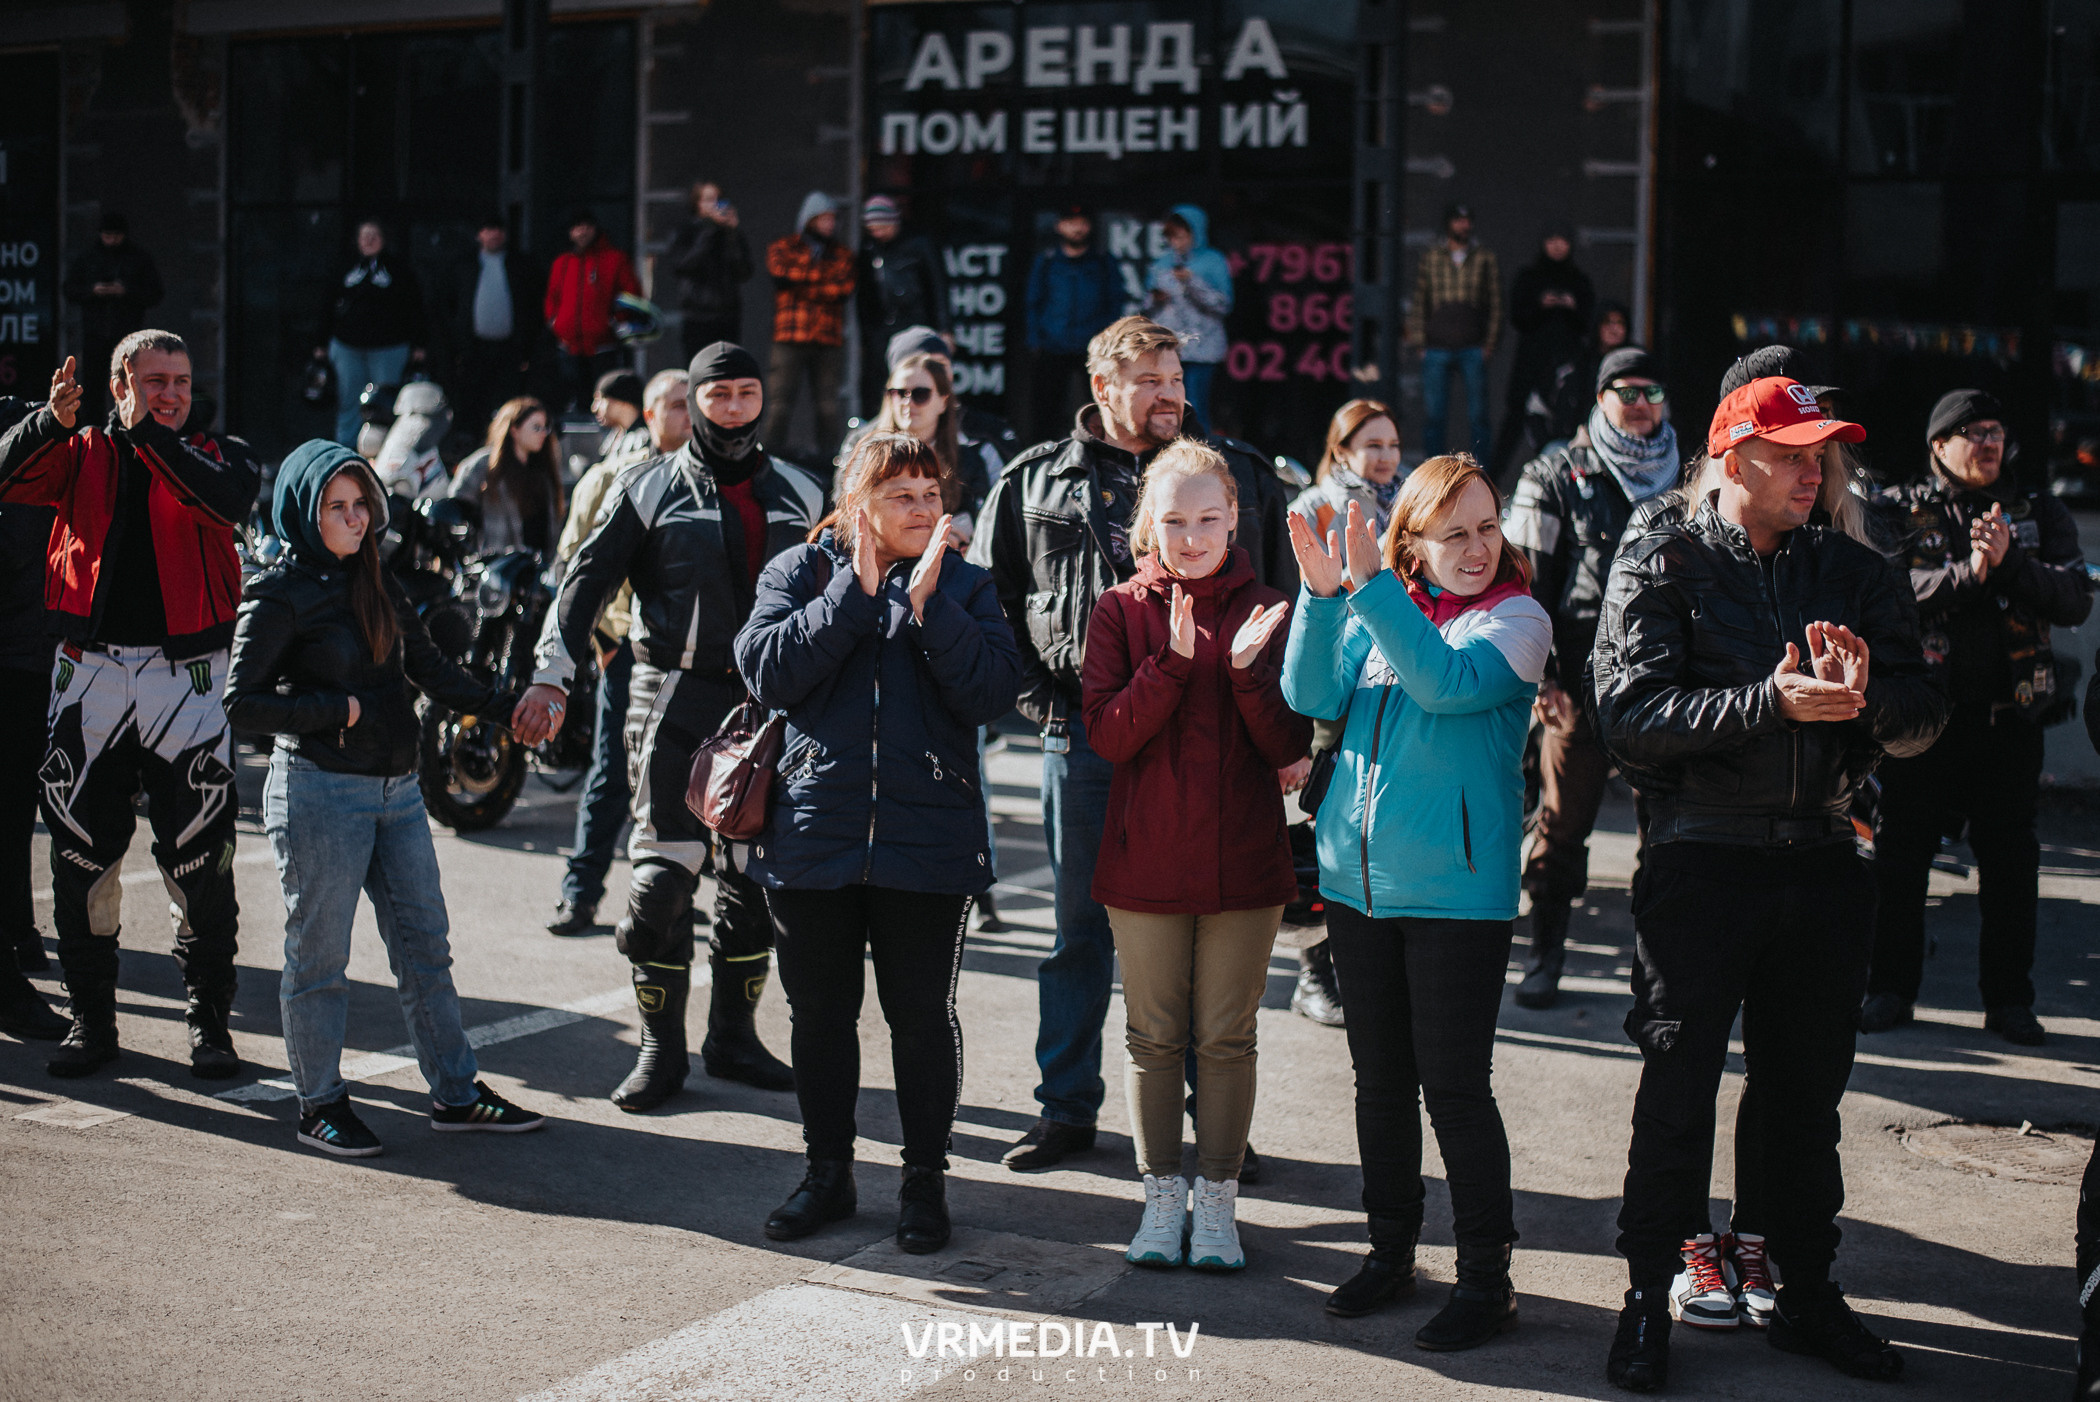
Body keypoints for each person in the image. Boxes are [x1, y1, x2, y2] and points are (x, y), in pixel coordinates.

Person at [1589, 376, 1946, 1390]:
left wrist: (1870, 697)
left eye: (1820, 454)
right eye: (1792, 452)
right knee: (1677, 1094)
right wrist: (1771, 704)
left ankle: (1807, 1294)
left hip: (1825, 861)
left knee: (1803, 1100)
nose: (1813, 470)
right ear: (1732, 455)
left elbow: (1926, 715)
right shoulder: (1663, 552)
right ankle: (1645, 1297)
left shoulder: (1854, 568)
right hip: (1701, 859)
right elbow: (1629, 716)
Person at [969, 314, 1296, 1175]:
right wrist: (1050, 704)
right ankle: (1066, 1112)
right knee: (1080, 934)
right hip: (1087, 740)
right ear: (1102, 388)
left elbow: (1281, 601)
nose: (1169, 393)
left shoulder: (1242, 477)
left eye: (1175, 376)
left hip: (1212, 745)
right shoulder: (1034, 481)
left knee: (1198, 932)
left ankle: (1214, 1121)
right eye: (1149, 378)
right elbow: (994, 600)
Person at [1280, 456, 1550, 1350]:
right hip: (1357, 888)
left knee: (1456, 1091)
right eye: (1454, 533)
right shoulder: (1371, 611)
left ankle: (1487, 1281)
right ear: (1415, 544)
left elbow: (1444, 683)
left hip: (1456, 897)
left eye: (1486, 527)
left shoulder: (1517, 619)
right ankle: (1390, 1251)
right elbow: (1309, 695)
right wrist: (1324, 600)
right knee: (1380, 1087)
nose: (1477, 548)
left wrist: (1369, 593)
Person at [515, 342, 824, 1109]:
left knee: (754, 882)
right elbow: (582, 583)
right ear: (690, 401)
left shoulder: (802, 492)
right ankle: (662, 1050)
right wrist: (553, 678)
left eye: (746, 394)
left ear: (762, 402)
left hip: (770, 706)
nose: (732, 409)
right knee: (658, 884)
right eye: (716, 396)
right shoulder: (646, 486)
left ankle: (732, 1039)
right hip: (672, 694)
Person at [733, 433, 1019, 1251]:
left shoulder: (965, 582)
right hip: (812, 834)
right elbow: (765, 672)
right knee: (821, 1016)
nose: (924, 509)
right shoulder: (798, 572)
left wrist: (932, 609)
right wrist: (854, 598)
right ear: (857, 502)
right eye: (903, 495)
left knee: (921, 1017)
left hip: (927, 840)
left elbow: (992, 693)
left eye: (931, 494)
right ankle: (828, 1174)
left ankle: (924, 1183)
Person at [225, 441, 547, 1156]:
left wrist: (511, 707)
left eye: (361, 503)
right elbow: (241, 702)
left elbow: (432, 668)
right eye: (336, 507)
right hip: (320, 793)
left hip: (399, 794)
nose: (355, 518)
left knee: (425, 948)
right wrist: (332, 711)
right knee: (319, 961)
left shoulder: (379, 578)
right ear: (305, 514)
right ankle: (319, 1103)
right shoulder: (279, 590)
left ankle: (456, 1095)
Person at [0, 335, 259, 1079]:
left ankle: (210, 1025)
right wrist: (48, 422)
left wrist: (147, 431)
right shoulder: (78, 450)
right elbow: (7, 475)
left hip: (190, 678)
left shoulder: (218, 450)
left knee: (200, 859)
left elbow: (228, 499)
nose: (170, 393)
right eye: (154, 381)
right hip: (89, 673)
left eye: (179, 381)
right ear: (121, 383)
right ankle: (92, 1023)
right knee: (82, 854)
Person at [1082, 439, 1307, 1272]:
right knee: (1152, 1037)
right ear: (1148, 522)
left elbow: (1291, 749)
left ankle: (1217, 1203)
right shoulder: (1120, 608)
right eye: (1173, 519)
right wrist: (1174, 665)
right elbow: (1106, 735)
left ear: (1234, 519)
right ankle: (1160, 1199)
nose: (1190, 536)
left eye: (1207, 518)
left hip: (1245, 864)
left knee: (1226, 1038)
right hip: (1145, 863)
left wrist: (1246, 672)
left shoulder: (1271, 607)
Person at [1864, 389, 2092, 1046]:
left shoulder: (2037, 511)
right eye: (1971, 432)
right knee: (1901, 859)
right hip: (1922, 722)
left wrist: (2011, 563)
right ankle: (1890, 989)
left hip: (2008, 722)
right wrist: (1973, 572)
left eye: (1995, 430)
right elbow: (1891, 597)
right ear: (1938, 445)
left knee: (2012, 866)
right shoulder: (1900, 509)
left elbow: (2075, 597)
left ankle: (2009, 1002)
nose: (1988, 441)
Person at [1502, 347, 1677, 1009]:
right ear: (1601, 399)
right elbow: (1525, 580)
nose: (1639, 402)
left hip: (1664, 688)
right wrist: (1539, 678)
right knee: (1561, 825)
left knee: (1665, 833)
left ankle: (1655, 971)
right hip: (1574, 685)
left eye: (1650, 390)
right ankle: (1546, 957)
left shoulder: (1689, 475)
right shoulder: (1556, 471)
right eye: (1624, 391)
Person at [546, 368, 690, 937]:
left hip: (690, 652)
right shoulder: (610, 478)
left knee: (686, 774)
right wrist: (604, 645)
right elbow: (572, 566)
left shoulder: (713, 483)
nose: (688, 414)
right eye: (675, 405)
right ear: (649, 415)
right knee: (612, 773)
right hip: (625, 650)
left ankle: (674, 890)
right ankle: (580, 896)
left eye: (691, 404)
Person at [1282, 398, 1407, 1025]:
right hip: (1336, 677)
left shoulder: (1411, 499)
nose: (1386, 456)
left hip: (1397, 672)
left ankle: (1361, 968)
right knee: (1329, 827)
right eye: (1372, 445)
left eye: (1392, 443)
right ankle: (1313, 976)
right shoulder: (1315, 505)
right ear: (1341, 450)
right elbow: (1299, 600)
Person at [0, 393, 68, 1041]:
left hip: (37, 661)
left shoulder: (57, 437)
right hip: (17, 660)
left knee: (20, 811)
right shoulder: (27, 433)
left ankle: (18, 934)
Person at [865, 351, 997, 542]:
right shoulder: (867, 453)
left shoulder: (968, 459)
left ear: (943, 401)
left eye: (921, 394)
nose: (908, 402)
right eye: (899, 393)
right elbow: (847, 515)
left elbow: (983, 519)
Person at [315, 221, 426, 446]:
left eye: (374, 235)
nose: (369, 240)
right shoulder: (344, 267)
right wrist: (320, 342)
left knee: (385, 404)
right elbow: (326, 304)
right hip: (348, 347)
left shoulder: (398, 269)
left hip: (389, 347)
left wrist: (419, 343)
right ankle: (345, 454)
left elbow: (414, 307)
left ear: (384, 239)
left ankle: (384, 453)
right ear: (356, 239)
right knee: (349, 402)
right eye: (364, 235)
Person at [762, 193, 856, 461]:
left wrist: (802, 285)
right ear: (809, 219)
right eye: (824, 218)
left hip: (826, 340)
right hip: (789, 337)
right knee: (780, 405)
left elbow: (843, 288)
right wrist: (820, 278)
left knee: (827, 407)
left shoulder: (841, 254)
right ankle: (769, 459)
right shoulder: (784, 247)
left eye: (833, 219)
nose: (830, 224)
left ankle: (830, 462)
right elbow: (781, 273)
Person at [1495, 225, 1594, 475]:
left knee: (1567, 423)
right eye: (1552, 239)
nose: (1558, 246)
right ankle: (1492, 478)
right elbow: (1517, 315)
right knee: (1516, 419)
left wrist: (1571, 305)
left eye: (1563, 240)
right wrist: (1540, 304)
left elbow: (1589, 321)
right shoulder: (1530, 277)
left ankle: (1566, 480)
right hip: (1532, 361)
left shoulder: (1579, 280)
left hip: (1567, 364)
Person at [1407, 203, 1501, 462]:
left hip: (1472, 344)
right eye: (1459, 220)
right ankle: (1433, 472)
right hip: (1437, 345)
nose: (1464, 225)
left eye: (1467, 220)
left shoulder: (1483, 257)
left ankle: (1481, 471)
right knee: (1434, 416)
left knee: (1478, 415)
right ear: (1449, 223)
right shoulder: (1433, 256)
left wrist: (1489, 343)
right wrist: (1419, 342)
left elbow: (1494, 302)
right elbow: (1419, 300)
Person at [1025, 205, 1124, 443]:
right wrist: (1035, 341)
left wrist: (1107, 342)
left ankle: (1102, 452)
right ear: (1059, 226)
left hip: (1093, 348)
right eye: (1070, 222)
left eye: (1082, 222)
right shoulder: (1047, 261)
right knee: (1046, 410)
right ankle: (1043, 456)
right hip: (1052, 345)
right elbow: (1032, 302)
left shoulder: (1102, 261)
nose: (1077, 228)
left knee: (1100, 405)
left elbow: (1115, 302)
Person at [61, 213, 164, 426]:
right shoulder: (88, 258)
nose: (111, 241)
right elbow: (69, 289)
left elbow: (155, 292)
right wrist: (92, 291)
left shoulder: (137, 259)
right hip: (95, 334)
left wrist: (126, 291)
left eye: (115, 236)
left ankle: (127, 427)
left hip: (126, 336)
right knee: (93, 389)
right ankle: (94, 432)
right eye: (107, 235)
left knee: (128, 385)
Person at [855, 195, 949, 416]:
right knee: (878, 384)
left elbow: (938, 287)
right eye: (873, 229)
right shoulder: (869, 249)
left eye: (882, 227)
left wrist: (944, 329)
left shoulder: (919, 243)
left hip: (914, 322)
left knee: (916, 378)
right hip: (881, 328)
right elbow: (864, 295)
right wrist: (867, 333)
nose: (878, 233)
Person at [450, 216, 541, 439]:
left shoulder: (520, 265)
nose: (493, 235)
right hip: (474, 350)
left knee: (507, 400)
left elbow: (532, 307)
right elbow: (449, 307)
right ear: (479, 235)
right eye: (487, 230)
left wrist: (525, 346)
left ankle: (504, 440)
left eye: (497, 230)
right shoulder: (464, 266)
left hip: (510, 348)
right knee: (473, 399)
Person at [544, 210, 640, 414]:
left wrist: (616, 322)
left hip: (603, 344)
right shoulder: (562, 263)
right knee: (574, 398)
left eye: (587, 227)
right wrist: (555, 323)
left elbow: (631, 296)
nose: (582, 232)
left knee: (605, 396)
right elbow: (552, 297)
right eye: (577, 227)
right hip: (569, 344)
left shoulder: (615, 259)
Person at [1145, 206, 1233, 429]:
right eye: (1172, 237)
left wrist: (1192, 283)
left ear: (1196, 234)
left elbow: (1224, 305)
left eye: (1182, 236)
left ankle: (1200, 457)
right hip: (1169, 348)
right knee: (1166, 404)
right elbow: (1144, 306)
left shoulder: (1214, 261)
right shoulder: (1161, 263)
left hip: (1203, 348)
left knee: (1195, 405)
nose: (1177, 242)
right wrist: (1155, 298)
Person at [448, 397, 564, 558]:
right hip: (497, 565)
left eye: (545, 428)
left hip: (537, 567)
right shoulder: (484, 464)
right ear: (514, 430)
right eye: (536, 427)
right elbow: (456, 508)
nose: (543, 434)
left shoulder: (543, 470)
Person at [667, 182, 753, 363]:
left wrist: (732, 233)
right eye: (708, 200)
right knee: (697, 366)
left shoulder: (729, 234)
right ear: (697, 203)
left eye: (718, 200)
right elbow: (683, 265)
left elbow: (744, 271)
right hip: (697, 314)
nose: (714, 205)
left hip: (727, 314)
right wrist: (709, 230)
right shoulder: (687, 231)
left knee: (728, 367)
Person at [588, 368, 654, 470]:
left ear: (623, 402)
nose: (594, 408)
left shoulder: (643, 440)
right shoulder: (615, 435)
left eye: (601, 399)